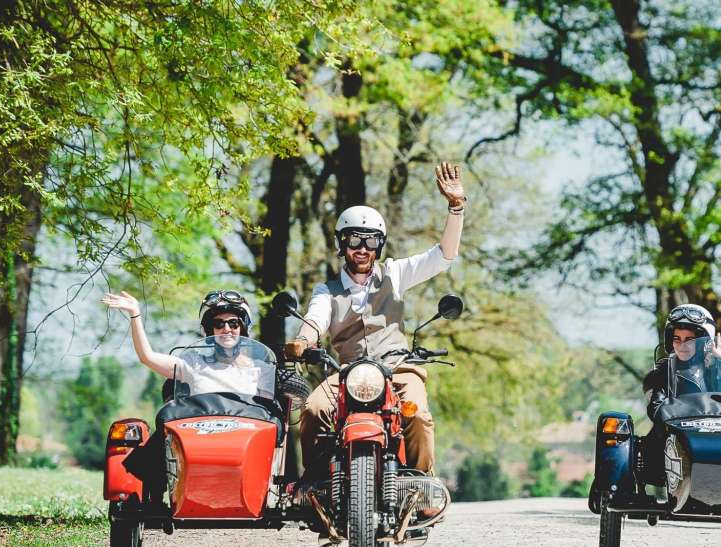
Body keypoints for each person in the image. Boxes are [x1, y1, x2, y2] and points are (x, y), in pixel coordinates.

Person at [284, 162, 466, 480]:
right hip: (349, 374)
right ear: (342, 244)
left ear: (379, 245)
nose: (363, 249)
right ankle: (316, 484)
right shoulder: (327, 289)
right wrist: (303, 341)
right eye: (354, 240)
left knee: (418, 415)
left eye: (370, 241)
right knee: (313, 409)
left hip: (397, 369)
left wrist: (456, 207)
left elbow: (443, 257)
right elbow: (315, 318)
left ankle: (420, 484)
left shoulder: (395, 274)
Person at [101, 289, 271, 397]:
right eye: (218, 324)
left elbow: (270, 419)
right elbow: (147, 357)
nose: (226, 329)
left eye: (233, 323)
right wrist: (135, 313)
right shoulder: (194, 363)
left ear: (242, 328)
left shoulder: (261, 370)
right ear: (210, 330)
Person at [638, 304, 721, 483]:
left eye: (689, 339)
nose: (682, 345)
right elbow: (656, 409)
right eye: (677, 338)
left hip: (715, 436)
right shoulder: (664, 370)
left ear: (704, 340)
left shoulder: (716, 367)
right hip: (674, 438)